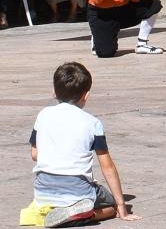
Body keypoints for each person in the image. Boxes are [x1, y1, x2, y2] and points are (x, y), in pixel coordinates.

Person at [26, 62, 141, 227]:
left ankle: (64, 211)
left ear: (54, 92)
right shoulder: (92, 123)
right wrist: (122, 205)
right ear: (86, 95)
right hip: (78, 190)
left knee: (70, 194)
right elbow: (107, 167)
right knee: (111, 206)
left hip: (43, 192)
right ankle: (79, 215)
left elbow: (34, 154)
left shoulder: (43, 115)